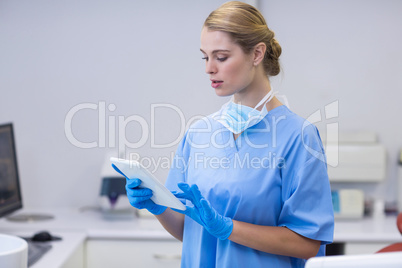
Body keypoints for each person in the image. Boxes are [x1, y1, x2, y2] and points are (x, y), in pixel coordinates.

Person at [125, 1, 334, 267]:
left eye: (221, 57)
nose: (209, 68)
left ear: (257, 54)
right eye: (205, 56)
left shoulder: (298, 137)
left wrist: (228, 228)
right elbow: (190, 230)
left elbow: (306, 243)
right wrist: (158, 207)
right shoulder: (198, 134)